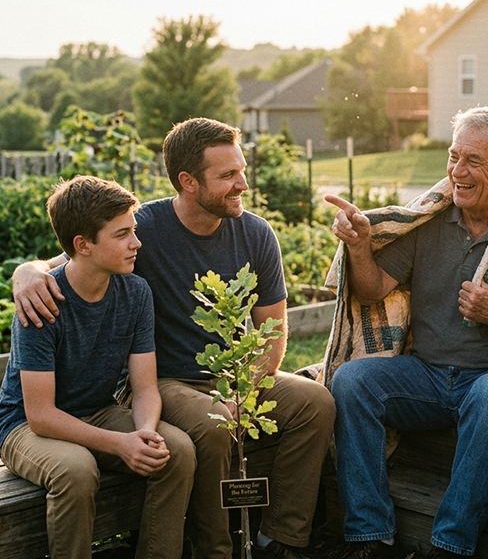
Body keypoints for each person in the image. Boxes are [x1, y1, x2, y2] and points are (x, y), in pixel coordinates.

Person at [12, 118, 336, 559]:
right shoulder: (143, 228)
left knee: (317, 403)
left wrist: (248, 389)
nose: (242, 183)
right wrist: (25, 273)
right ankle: (216, 549)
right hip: (172, 380)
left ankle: (282, 539)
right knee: (212, 428)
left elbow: (273, 334)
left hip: (235, 374)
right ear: (188, 181)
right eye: (227, 176)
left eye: (241, 170)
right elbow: (74, 256)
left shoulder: (256, 233)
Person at [323, 106, 488, 559]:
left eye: (473, 161)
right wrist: (359, 246)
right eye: (454, 157)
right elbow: (372, 289)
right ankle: (371, 535)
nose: (457, 171)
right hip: (426, 375)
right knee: (353, 382)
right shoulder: (429, 221)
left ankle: (451, 545)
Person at [0, 175, 196, 559]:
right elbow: (40, 416)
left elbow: (144, 388)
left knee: (176, 450)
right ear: (83, 245)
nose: (136, 243)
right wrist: (121, 445)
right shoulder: (41, 302)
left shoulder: (135, 292)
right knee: (75, 471)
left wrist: (143, 435)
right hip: (26, 425)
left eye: (134, 230)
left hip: (97, 412)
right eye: (122, 234)